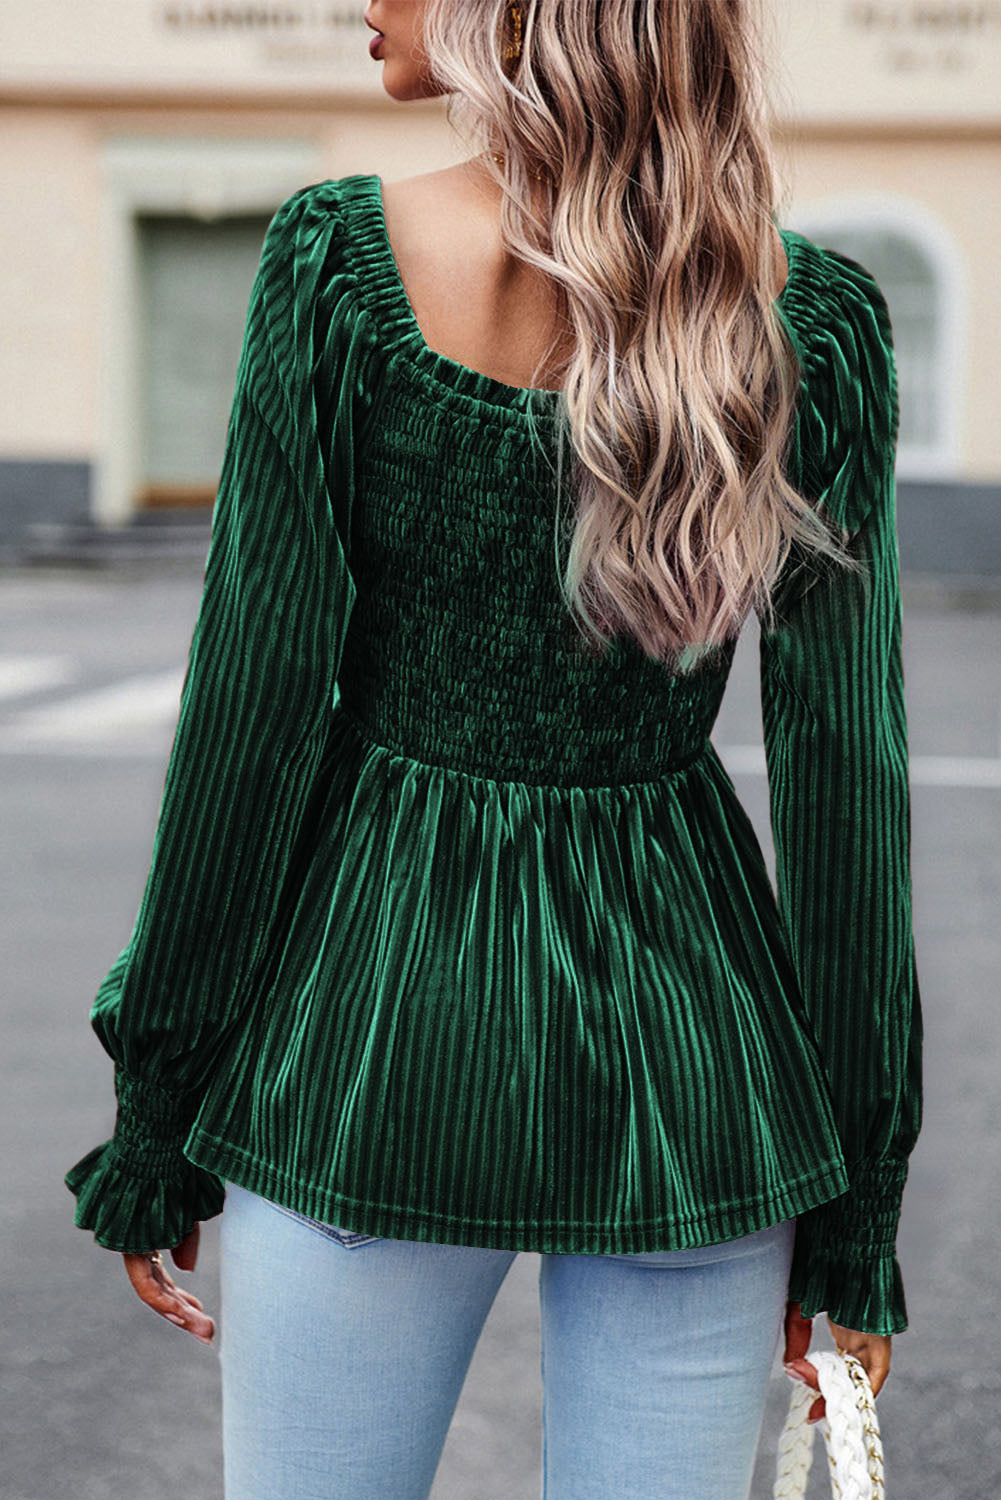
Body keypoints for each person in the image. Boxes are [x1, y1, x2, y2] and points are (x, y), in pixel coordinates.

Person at [64, 2, 924, 1497]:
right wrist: (856, 1204)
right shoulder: (812, 322)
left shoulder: (337, 267)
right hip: (693, 1070)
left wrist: (159, 1101)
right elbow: (847, 786)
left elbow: (250, 727)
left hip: (368, 1036)